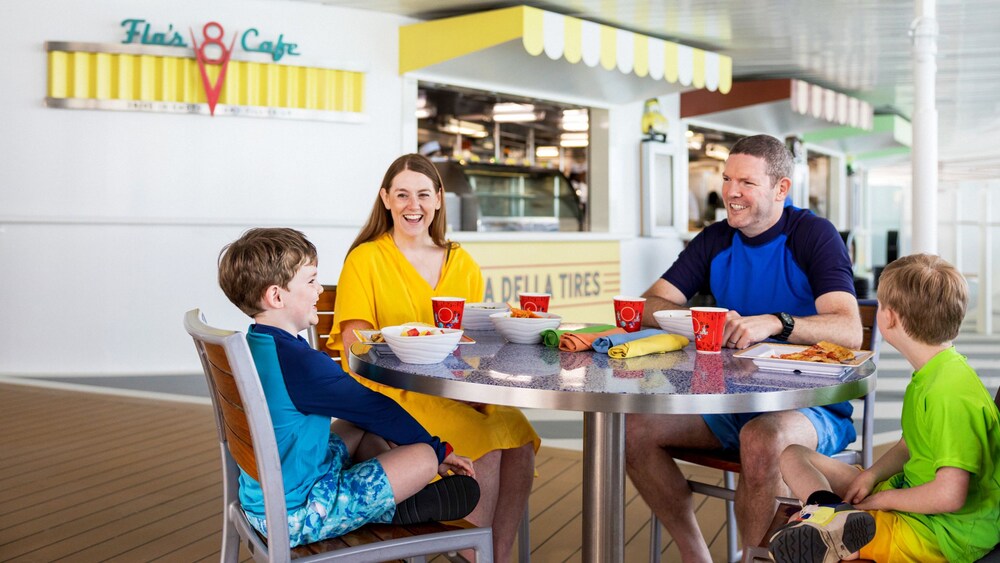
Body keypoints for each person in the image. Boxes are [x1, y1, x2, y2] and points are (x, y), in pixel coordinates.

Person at [625, 134, 863, 562]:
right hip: (730, 402)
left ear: (781, 189)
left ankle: (753, 556)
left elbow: (849, 329)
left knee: (761, 439)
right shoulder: (716, 239)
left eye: (747, 183)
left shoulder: (813, 235)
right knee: (635, 432)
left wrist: (778, 322)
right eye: (727, 178)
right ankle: (697, 554)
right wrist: (702, 319)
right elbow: (649, 303)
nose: (731, 192)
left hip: (812, 408)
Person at [327, 153, 539, 562]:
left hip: (452, 388)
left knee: (519, 436)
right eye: (403, 194)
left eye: (423, 194)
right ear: (386, 199)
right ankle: (473, 555)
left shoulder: (461, 261)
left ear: (439, 199)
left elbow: (476, 338)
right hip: (393, 393)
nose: (414, 205)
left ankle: (494, 555)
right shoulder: (366, 258)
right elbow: (353, 339)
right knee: (486, 443)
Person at [217, 227, 480, 547]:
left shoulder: (254, 344)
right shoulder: (300, 364)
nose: (319, 291)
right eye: (311, 280)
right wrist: (440, 451)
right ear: (276, 296)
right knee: (422, 457)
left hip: (267, 493)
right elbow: (376, 408)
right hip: (296, 513)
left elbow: (366, 417)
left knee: (361, 427)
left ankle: (393, 491)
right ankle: (390, 506)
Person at [771, 254, 1000, 563]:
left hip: (941, 531)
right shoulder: (934, 372)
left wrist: (886, 499)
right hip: (913, 492)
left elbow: (951, 495)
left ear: (889, 318)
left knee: (837, 545)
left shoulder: (950, 394)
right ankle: (826, 510)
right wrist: (872, 476)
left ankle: (830, 532)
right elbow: (910, 445)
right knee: (793, 455)